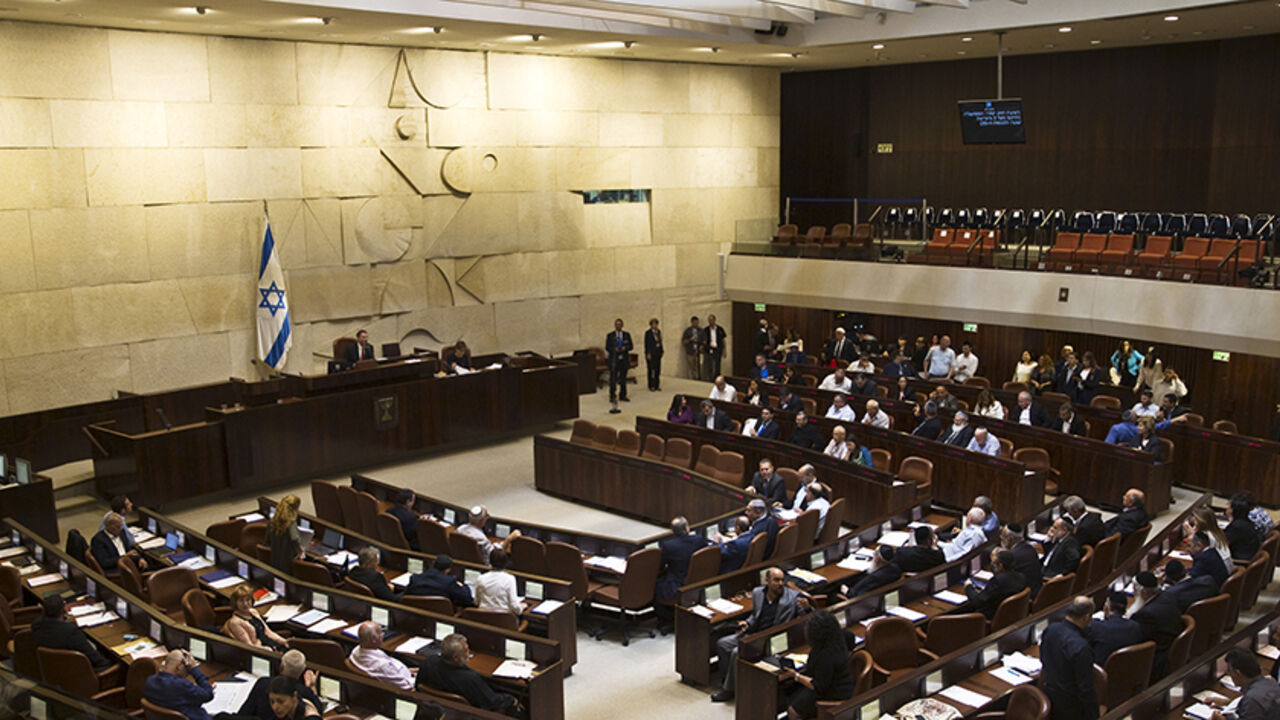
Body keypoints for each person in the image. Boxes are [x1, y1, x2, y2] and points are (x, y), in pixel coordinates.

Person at [711, 567, 810, 702]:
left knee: (737, 652)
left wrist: (807, 608)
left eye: (782, 580)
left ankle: (729, 690)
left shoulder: (793, 598)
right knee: (722, 644)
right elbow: (755, 616)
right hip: (753, 634)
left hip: (771, 639)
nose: (781, 583)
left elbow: (807, 619)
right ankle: (730, 680)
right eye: (776, 580)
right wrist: (748, 624)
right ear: (767, 581)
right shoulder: (758, 593)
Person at [419, 634, 520, 716]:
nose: (469, 653)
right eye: (466, 650)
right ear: (455, 657)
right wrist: (511, 699)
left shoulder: (429, 662)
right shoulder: (469, 678)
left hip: (445, 711)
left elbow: (418, 685)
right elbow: (492, 702)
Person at [786, 610, 855, 719]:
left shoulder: (826, 656)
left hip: (833, 694)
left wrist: (796, 676)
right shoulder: (838, 640)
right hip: (835, 685)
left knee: (792, 711)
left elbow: (817, 685)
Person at [1040, 597, 1099, 720]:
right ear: (1086, 617)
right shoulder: (1081, 647)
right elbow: (1085, 689)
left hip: (1047, 694)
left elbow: (1043, 659)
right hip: (1071, 708)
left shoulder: (1050, 629)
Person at [31, 594, 113, 671]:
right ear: (63, 611)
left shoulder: (36, 624)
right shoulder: (71, 632)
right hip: (78, 673)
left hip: (51, 669)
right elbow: (97, 660)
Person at [238, 650, 322, 720]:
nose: (275, 707)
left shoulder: (262, 682)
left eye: (281, 701)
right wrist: (312, 687)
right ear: (303, 670)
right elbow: (320, 711)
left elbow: (244, 712)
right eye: (272, 702)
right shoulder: (306, 692)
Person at [1130, 571, 1182, 677]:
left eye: (1134, 589)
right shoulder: (1168, 597)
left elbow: (1135, 639)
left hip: (1156, 660)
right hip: (1169, 647)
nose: (1133, 592)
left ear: (1143, 592)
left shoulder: (1146, 615)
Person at [655, 516, 711, 611]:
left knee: (653, 588)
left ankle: (667, 617)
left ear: (673, 531)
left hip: (677, 585)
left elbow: (660, 565)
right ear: (687, 529)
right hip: (698, 581)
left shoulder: (669, 546)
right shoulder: (699, 540)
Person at [1210, 647, 1280, 720]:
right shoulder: (1269, 683)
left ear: (1238, 673)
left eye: (1229, 671)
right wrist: (1228, 703)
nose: (1229, 674)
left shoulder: (1252, 699)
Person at [144, 649, 214, 720]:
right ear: (179, 667)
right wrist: (194, 669)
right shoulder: (181, 685)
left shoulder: (150, 681)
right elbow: (208, 694)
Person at [958, 549, 1027, 619]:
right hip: (1011, 615)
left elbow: (977, 602)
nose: (993, 566)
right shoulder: (1021, 577)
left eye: (994, 563)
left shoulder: (998, 581)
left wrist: (968, 587)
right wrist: (987, 590)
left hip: (992, 617)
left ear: (1000, 565)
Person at [349, 621, 414, 690]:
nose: (383, 635)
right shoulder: (382, 665)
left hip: (400, 673)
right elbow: (406, 687)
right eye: (380, 633)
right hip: (407, 682)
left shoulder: (355, 651)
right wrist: (417, 679)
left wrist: (407, 670)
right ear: (374, 640)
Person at [224, 585, 289, 650]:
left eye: (248, 600)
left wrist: (284, 641)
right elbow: (249, 646)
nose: (245, 603)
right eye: (241, 601)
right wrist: (267, 650)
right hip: (261, 650)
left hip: (270, 643)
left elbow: (267, 632)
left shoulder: (253, 612)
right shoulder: (235, 622)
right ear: (235, 603)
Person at [456, 505, 521, 565]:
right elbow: (495, 555)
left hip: (464, 562)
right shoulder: (480, 538)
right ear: (481, 520)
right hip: (485, 567)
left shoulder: (460, 529)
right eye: (486, 517)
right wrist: (509, 539)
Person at [1089, 591, 1142, 664]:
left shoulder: (1097, 627)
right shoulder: (1135, 627)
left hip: (1100, 671)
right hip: (1127, 668)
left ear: (1107, 607)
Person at [403, 554, 474, 608]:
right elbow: (467, 598)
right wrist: (463, 586)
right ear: (448, 570)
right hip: (443, 616)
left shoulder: (415, 578)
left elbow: (406, 595)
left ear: (433, 563)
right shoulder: (449, 582)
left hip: (418, 615)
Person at [475, 548, 523, 617]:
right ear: (506, 563)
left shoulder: (481, 578)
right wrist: (521, 608)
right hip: (503, 620)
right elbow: (514, 606)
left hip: (484, 618)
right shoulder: (510, 579)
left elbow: (477, 602)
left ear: (490, 561)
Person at [1001, 523, 1043, 597]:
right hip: (1036, 592)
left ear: (1009, 539)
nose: (1001, 538)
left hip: (1023, 597)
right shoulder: (1031, 548)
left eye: (1003, 536)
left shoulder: (1012, 556)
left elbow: (1002, 580)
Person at [265, 494, 302, 574]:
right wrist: (300, 551)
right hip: (288, 562)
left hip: (275, 559)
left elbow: (267, 541)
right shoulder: (291, 522)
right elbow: (295, 539)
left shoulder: (273, 521)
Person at [1225, 492, 1264, 559]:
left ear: (1232, 510)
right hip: (1246, 554)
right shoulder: (1246, 521)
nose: (1226, 508)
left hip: (1239, 561)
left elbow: (1222, 544)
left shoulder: (1236, 526)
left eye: (1228, 506)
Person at [606, 317, 633, 404]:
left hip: (623, 359)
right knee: (613, 379)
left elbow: (631, 346)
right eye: (616, 325)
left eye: (620, 325)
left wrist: (625, 348)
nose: (618, 326)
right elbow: (607, 347)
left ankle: (623, 395)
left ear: (622, 325)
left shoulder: (626, 335)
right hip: (614, 360)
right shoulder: (610, 336)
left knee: (623, 379)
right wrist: (614, 349)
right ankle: (612, 395)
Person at [703, 314, 726, 380]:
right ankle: (710, 378)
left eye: (711, 320)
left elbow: (723, 340)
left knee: (717, 365)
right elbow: (704, 340)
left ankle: (717, 378)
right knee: (710, 364)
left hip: (718, 348)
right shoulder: (706, 330)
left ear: (714, 320)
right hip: (709, 349)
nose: (710, 322)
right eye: (709, 320)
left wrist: (724, 350)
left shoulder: (720, 329)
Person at [643, 317, 663, 391]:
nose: (655, 326)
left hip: (658, 353)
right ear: (651, 325)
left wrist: (662, 351)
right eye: (653, 324)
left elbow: (660, 342)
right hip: (651, 353)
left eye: (656, 324)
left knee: (658, 369)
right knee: (651, 370)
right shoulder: (648, 333)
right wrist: (647, 353)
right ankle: (651, 385)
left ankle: (657, 385)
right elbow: (646, 344)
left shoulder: (658, 332)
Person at [682, 316, 704, 380]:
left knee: (698, 366)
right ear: (691, 322)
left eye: (697, 323)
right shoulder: (687, 331)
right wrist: (690, 340)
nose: (696, 324)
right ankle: (691, 379)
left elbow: (704, 341)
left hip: (699, 351)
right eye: (694, 323)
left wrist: (699, 349)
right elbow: (683, 342)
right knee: (691, 367)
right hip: (690, 351)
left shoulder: (701, 331)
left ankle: (698, 378)